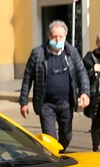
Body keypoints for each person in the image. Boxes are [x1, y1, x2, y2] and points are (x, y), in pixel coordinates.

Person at [19, 20, 90, 152]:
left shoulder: (72, 52)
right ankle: (55, 160)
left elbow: (82, 72)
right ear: (49, 36)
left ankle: (59, 153)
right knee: (50, 139)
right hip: (47, 105)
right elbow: (28, 78)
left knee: (67, 136)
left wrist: (85, 92)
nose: (57, 40)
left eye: (60, 36)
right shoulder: (38, 53)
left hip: (66, 103)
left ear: (65, 36)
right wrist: (23, 102)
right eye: (54, 36)